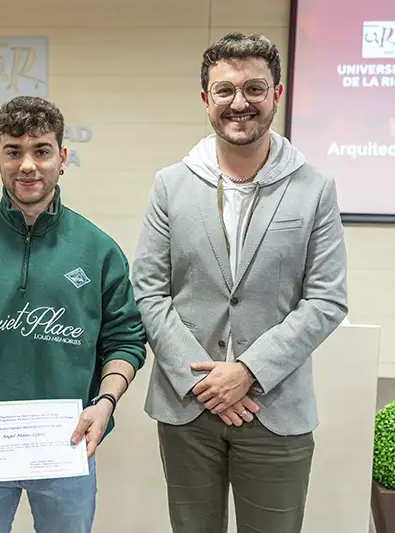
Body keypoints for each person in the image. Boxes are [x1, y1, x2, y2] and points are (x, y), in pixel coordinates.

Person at [132, 32, 348, 533]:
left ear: (276, 94)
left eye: (254, 88)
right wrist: (205, 381)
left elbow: (326, 299)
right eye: (225, 90)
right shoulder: (171, 184)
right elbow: (149, 289)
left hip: (275, 407)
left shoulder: (315, 188)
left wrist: (248, 370)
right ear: (207, 100)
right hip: (188, 405)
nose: (239, 103)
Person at [0, 95, 147, 533]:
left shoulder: (98, 250)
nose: (28, 165)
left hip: (65, 444)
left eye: (41, 150)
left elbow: (125, 340)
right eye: (14, 152)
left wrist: (105, 403)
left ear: (63, 157)